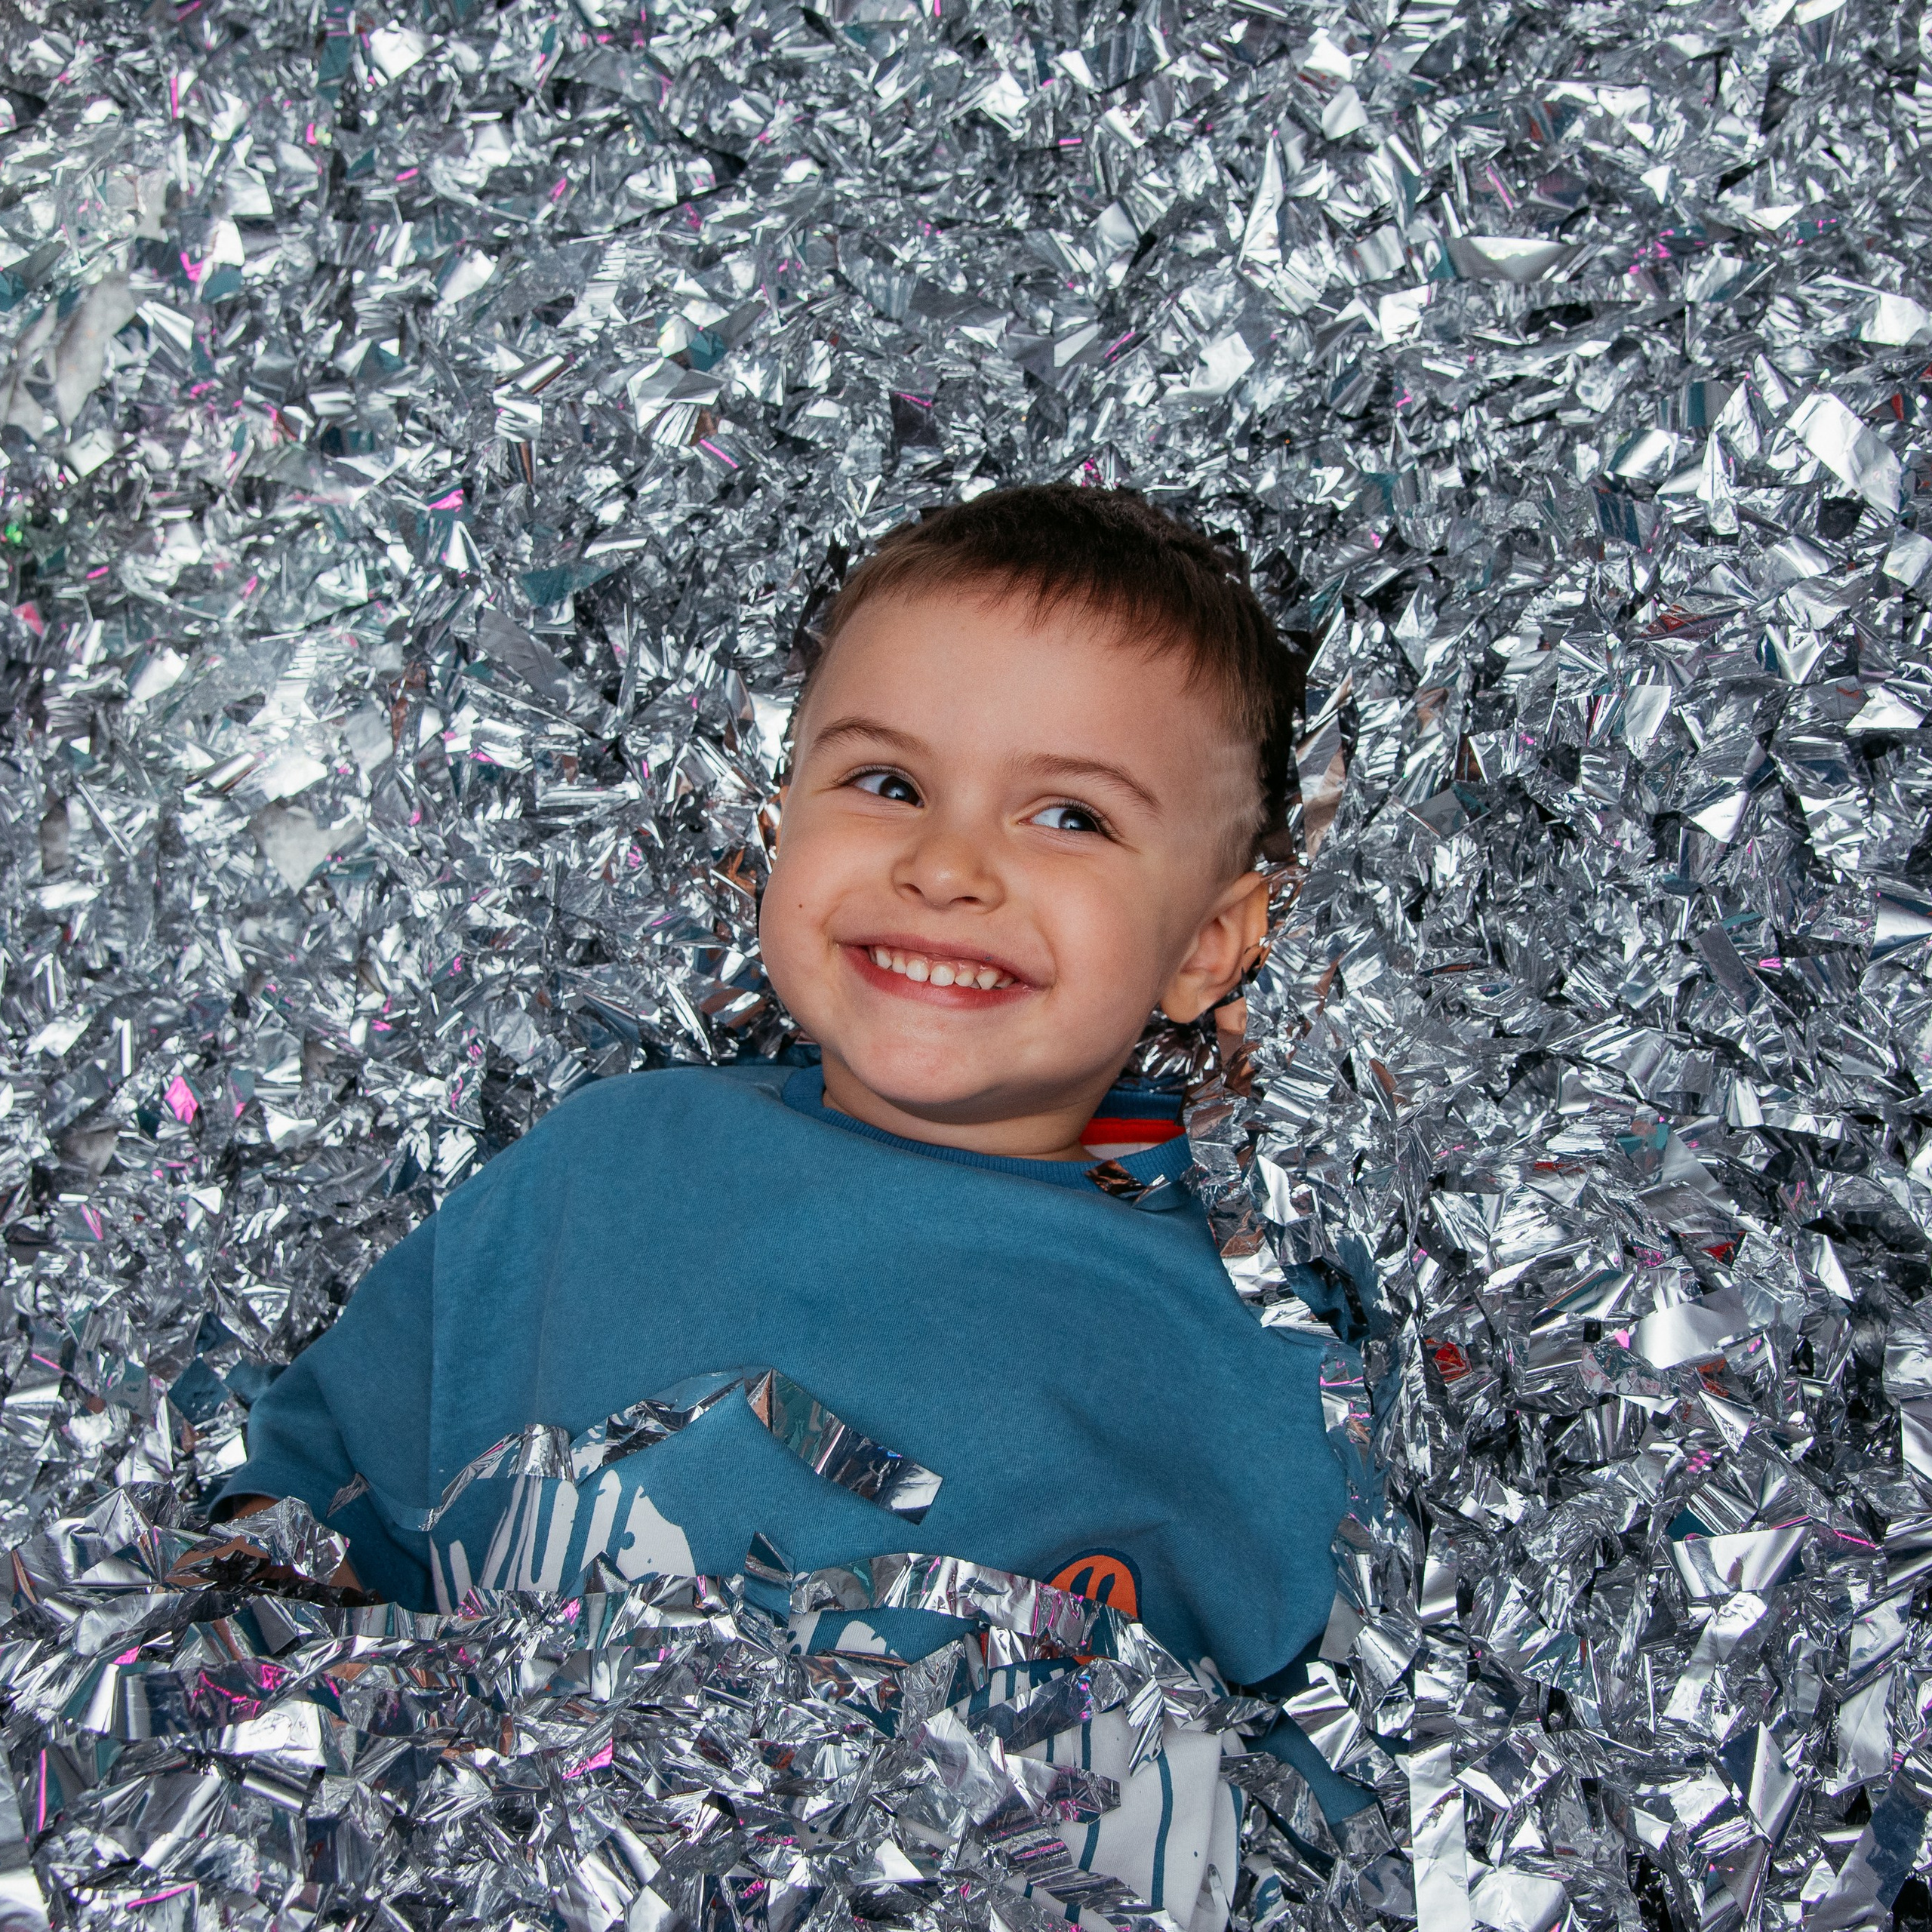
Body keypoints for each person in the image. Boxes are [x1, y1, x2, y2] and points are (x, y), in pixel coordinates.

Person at [220, 485, 1362, 1909]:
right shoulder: (606, 1166)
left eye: (1068, 815)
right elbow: (309, 1505)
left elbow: (1316, 1792)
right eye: (886, 785)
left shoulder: (1246, 1350)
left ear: (1206, 944)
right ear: (778, 831)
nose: (947, 866)